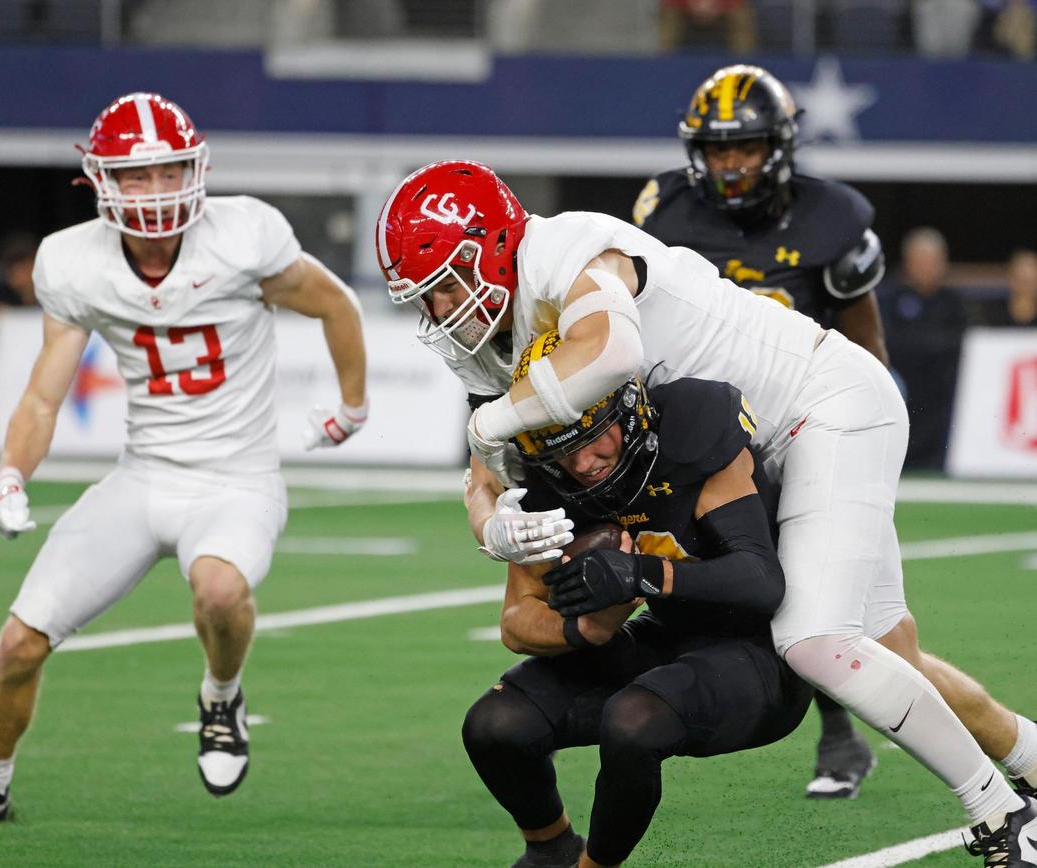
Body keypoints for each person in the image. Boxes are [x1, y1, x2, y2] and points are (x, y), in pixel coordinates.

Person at [376, 159, 1037, 865]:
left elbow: (610, 350)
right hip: (767, 439)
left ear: (494, 246)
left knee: (814, 642)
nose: (441, 312)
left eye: (447, 286)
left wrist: (490, 426)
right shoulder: (495, 332)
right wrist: (494, 528)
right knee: (881, 654)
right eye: (427, 299)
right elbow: (486, 472)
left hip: (820, 404)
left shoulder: (565, 252)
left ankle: (1001, 815)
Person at [0, 92, 368, 824]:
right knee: (20, 642)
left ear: (197, 168)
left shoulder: (244, 236)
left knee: (219, 591)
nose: (155, 192)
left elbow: (338, 305)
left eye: (168, 172)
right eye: (136, 176)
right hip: (142, 475)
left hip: (235, 479)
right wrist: (10, 474)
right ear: (100, 182)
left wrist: (353, 406)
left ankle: (221, 697)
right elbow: (41, 394)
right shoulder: (73, 260)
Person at [463, 331, 813, 868]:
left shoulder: (692, 432)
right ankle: (550, 849)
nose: (582, 463)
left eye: (593, 437)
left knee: (632, 720)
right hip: (666, 639)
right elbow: (516, 621)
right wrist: (589, 628)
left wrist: (642, 575)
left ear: (626, 408)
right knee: (496, 723)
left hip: (762, 655)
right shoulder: (550, 480)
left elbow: (761, 580)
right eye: (562, 449)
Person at [632, 64, 885, 799]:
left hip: (799, 424)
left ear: (778, 147)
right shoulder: (662, 210)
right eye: (716, 150)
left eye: (744, 148)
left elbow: (867, 351)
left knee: (816, 589)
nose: (730, 164)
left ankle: (842, 730)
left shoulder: (833, 218)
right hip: (702, 428)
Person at [879, 227, 968, 470]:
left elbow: (960, 344)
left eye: (932, 261)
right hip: (902, 391)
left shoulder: (953, 302)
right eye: (921, 261)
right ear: (908, 263)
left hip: (940, 398)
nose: (926, 267)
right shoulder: (890, 299)